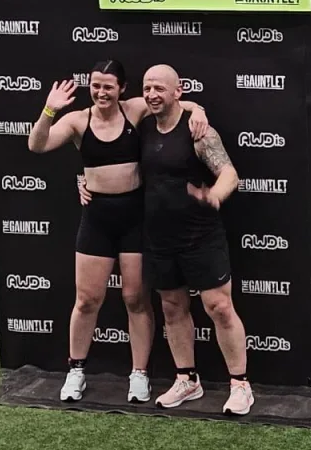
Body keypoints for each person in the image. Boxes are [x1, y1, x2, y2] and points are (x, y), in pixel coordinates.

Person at [28, 60, 209, 405]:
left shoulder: (135, 109)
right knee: (87, 300)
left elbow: (177, 103)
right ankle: (76, 370)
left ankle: (139, 373)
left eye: (108, 86)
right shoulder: (78, 120)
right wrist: (49, 110)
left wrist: (198, 110)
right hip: (97, 220)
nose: (101, 92)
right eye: (96, 85)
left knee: (135, 299)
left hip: (135, 218)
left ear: (121, 89)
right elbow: (37, 145)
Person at [138, 64, 253, 417]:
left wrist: (215, 195)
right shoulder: (142, 126)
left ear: (178, 90)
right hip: (159, 237)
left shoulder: (198, 130)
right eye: (147, 88)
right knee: (172, 308)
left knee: (219, 307)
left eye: (159, 88)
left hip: (201, 236)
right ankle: (187, 380)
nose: (152, 94)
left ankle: (240, 385)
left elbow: (229, 173)